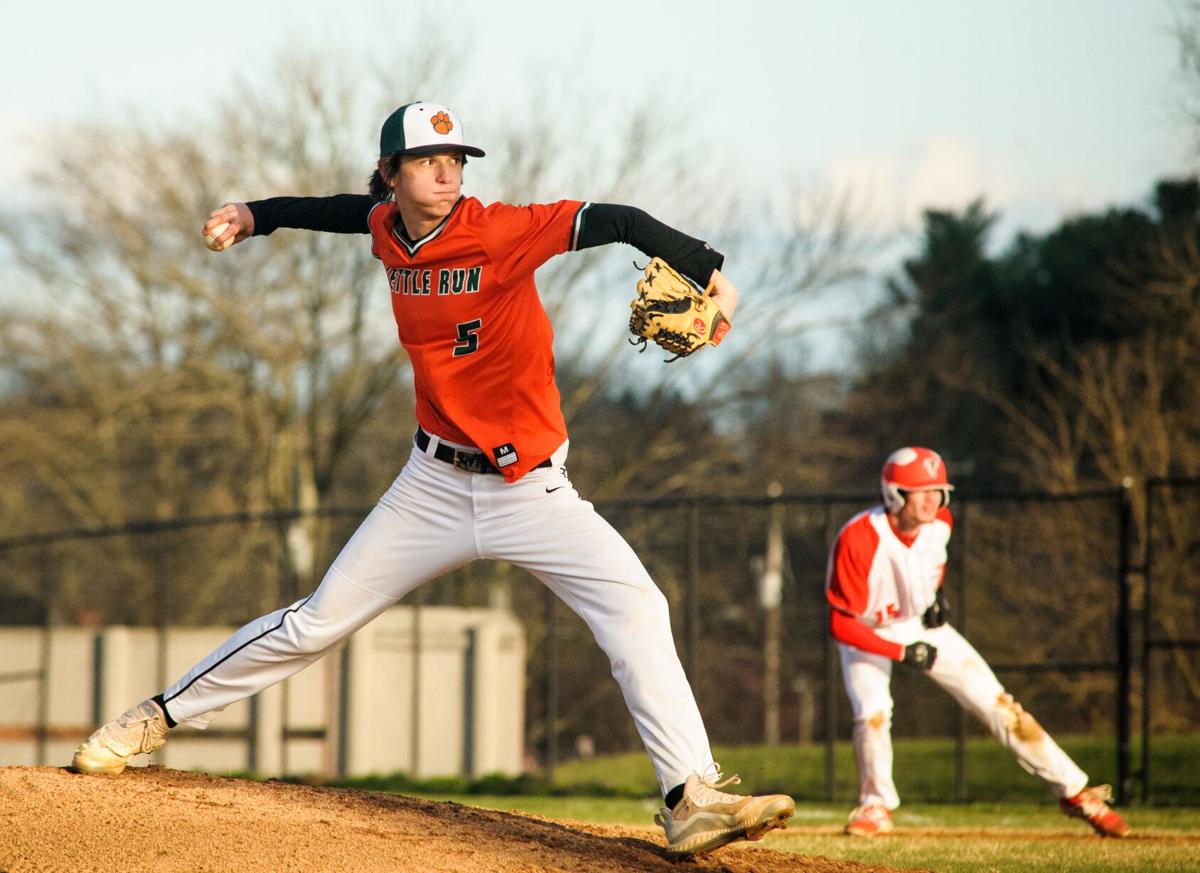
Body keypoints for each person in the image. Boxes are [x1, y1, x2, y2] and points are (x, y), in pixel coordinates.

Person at [71, 101, 794, 858]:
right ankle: (152, 718)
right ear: (394, 174)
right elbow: (344, 211)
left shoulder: (502, 229)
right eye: (426, 160)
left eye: (455, 159)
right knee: (315, 622)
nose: (447, 172)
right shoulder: (388, 227)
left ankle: (689, 796)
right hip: (432, 485)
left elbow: (615, 218)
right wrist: (257, 215)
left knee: (638, 608)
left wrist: (711, 272)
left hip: (535, 490)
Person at [825, 446, 1131, 838]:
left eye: (938, 489)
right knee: (872, 712)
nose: (933, 499)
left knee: (999, 704)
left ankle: (1074, 791)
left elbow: (928, 563)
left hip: (918, 624)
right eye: (921, 490)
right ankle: (875, 805)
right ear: (894, 494)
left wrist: (932, 595)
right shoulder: (860, 537)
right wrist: (901, 651)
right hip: (868, 632)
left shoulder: (941, 523)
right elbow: (841, 623)